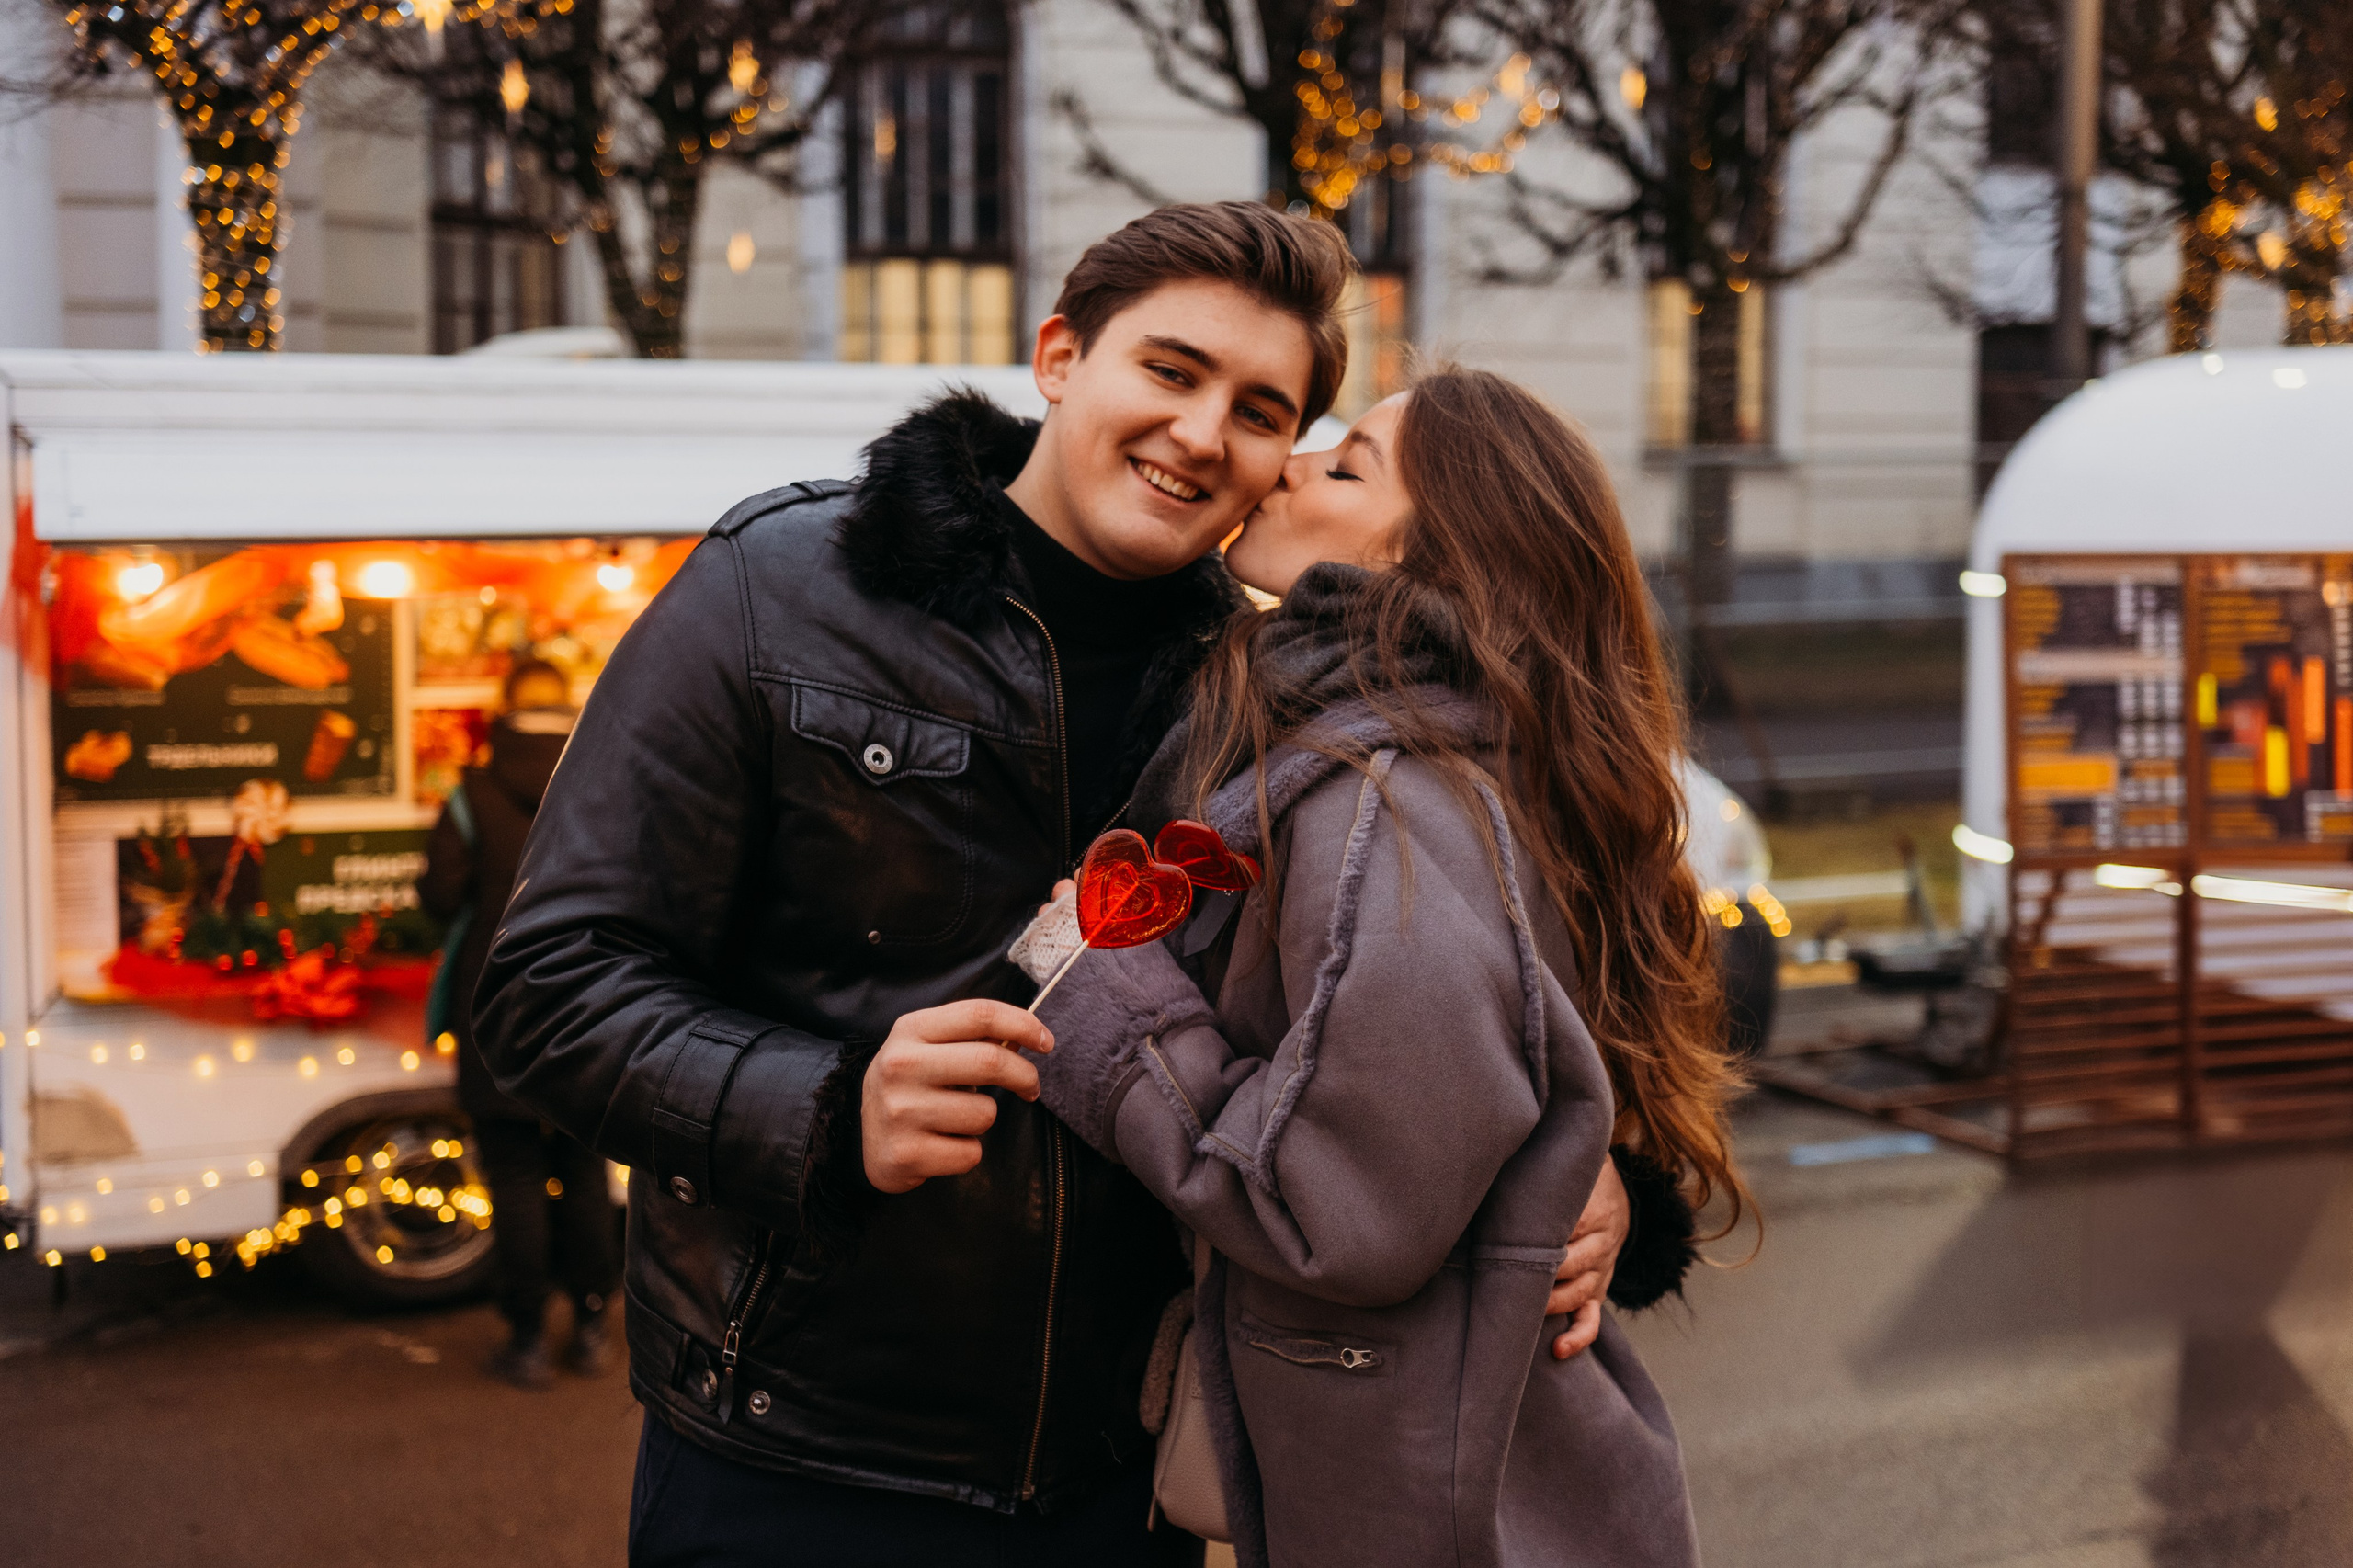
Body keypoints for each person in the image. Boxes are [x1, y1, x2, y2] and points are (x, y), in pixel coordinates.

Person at [473, 204, 1680, 1565]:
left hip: (1123, 1482)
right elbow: (544, 987)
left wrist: (1587, 1179)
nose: (1203, 433)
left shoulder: (1273, 693)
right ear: (1059, 358)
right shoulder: (777, 587)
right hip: (798, 1459)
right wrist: (824, 1109)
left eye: (1261, 411)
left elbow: (1411, 1028)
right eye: (1171, 370)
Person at [1017, 368, 1749, 1568]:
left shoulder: (1382, 802)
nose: (1285, 465)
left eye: (1344, 463)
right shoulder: (1426, 747)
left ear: (1434, 562)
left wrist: (1096, 988)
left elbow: (1336, 1208)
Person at [416, 657, 620, 1389]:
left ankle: (529, 1338)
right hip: (587, 997)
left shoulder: (472, 792)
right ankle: (592, 1328)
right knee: (584, 1170)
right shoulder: (605, 779)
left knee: (513, 1174)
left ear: (504, 708)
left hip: (493, 1002)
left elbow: (441, 896)